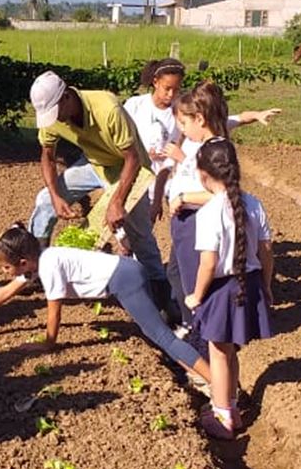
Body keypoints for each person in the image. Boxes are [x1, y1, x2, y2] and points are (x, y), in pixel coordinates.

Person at [0, 224, 217, 393]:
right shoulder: (43, 259)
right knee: (158, 333)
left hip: (123, 280)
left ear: (23, 262)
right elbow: (5, 292)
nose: (4, 273)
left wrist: (47, 344)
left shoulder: (48, 266)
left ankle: (218, 387)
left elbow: (54, 310)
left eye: (5, 267)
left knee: (160, 335)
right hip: (127, 271)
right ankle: (195, 373)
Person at [26, 70, 170, 311]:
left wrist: (116, 201)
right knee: (44, 201)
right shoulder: (54, 119)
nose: (54, 120)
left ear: (67, 97)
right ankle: (36, 267)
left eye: (55, 112)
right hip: (94, 164)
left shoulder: (107, 108)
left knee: (139, 233)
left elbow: (132, 158)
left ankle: (160, 292)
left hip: (128, 168)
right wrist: (55, 195)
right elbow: (47, 155)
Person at [183, 137, 276, 440]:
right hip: (249, 284)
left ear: (203, 175)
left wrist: (196, 295)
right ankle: (232, 407)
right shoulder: (253, 203)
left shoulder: (210, 213)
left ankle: (223, 418)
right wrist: (266, 285)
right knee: (230, 352)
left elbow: (208, 264)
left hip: (222, 291)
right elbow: (266, 252)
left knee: (219, 355)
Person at [165, 83, 281, 320]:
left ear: (200, 118)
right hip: (183, 217)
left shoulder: (211, 149)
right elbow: (242, 118)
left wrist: (184, 195)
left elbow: (222, 193)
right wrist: (257, 115)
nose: (180, 129)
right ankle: (191, 321)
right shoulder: (199, 136)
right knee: (176, 273)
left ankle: (197, 325)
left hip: (195, 218)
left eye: (183, 123)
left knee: (194, 277)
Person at [122, 58, 187, 215]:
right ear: (156, 82)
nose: (171, 94)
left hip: (162, 178)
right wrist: (142, 153)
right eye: (167, 88)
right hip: (135, 176)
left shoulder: (181, 112)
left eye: (176, 90)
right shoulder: (135, 106)